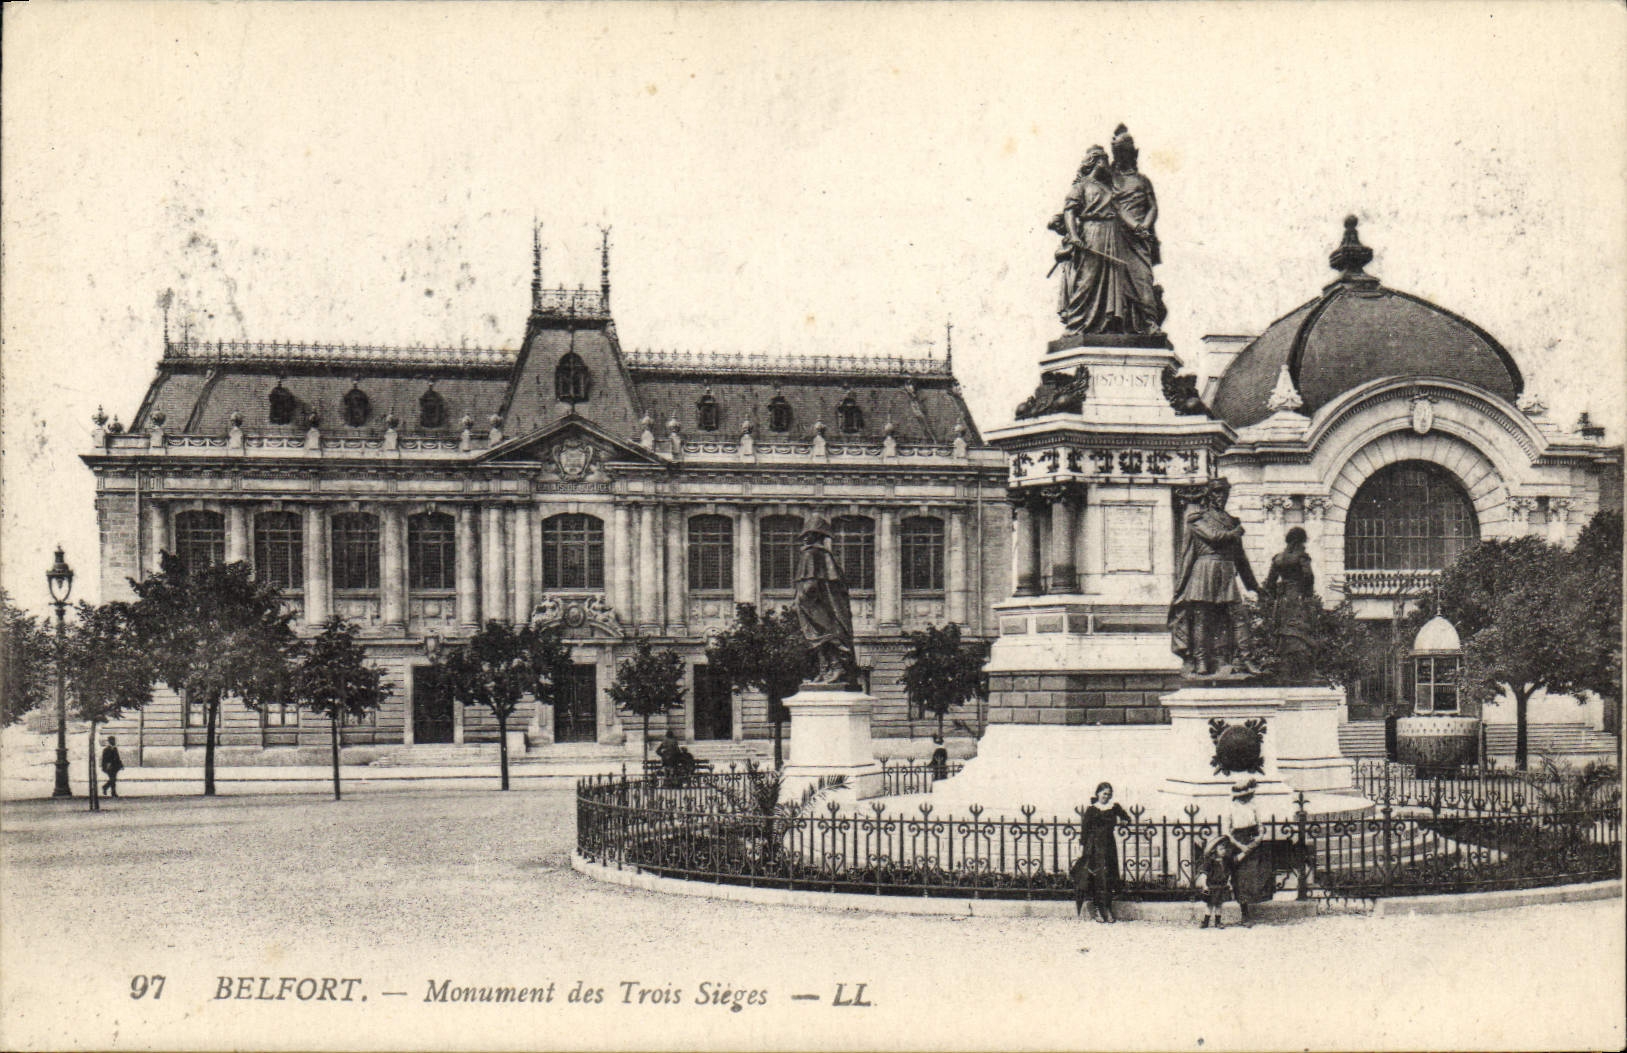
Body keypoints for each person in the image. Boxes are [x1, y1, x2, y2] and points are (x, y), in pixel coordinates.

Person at [1053, 147, 1160, 336]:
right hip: (1091, 233)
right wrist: (1075, 236)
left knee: (1110, 280)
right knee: (1088, 279)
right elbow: (1069, 212)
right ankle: (1075, 324)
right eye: (1104, 160)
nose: (1107, 164)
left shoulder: (1107, 188)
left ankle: (1106, 323)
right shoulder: (1081, 186)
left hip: (1111, 235)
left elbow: (1120, 211)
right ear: (1096, 162)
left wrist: (1138, 228)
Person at [1169, 478, 1261, 676]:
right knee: (1202, 617)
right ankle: (1201, 660)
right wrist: (1236, 532)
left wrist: (1253, 585)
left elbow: (1240, 558)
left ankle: (1247, 659)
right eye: (1217, 492)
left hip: (1226, 572)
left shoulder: (1232, 521)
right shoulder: (1198, 519)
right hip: (1205, 571)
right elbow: (1214, 537)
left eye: (1224, 492)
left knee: (1240, 616)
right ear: (1209, 495)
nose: (1221, 496)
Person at [1109, 124, 1167, 329]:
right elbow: (1114, 206)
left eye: (1127, 152)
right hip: (1119, 237)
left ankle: (1149, 322)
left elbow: (1153, 206)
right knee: (1118, 280)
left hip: (1141, 238)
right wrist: (1134, 225)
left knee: (1143, 278)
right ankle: (1121, 323)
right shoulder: (1111, 180)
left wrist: (1145, 225)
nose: (1124, 156)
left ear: (1134, 153)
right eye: (1119, 152)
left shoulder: (1143, 181)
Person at [795, 515, 855, 686]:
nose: (806, 537)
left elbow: (811, 583)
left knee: (824, 634)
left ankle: (835, 667)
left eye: (811, 533)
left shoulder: (812, 553)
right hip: (812, 603)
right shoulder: (823, 554)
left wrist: (803, 598)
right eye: (805, 534)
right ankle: (825, 669)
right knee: (817, 637)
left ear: (819, 535)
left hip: (814, 603)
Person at [1262, 527, 1318, 683]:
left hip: (1282, 601)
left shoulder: (1277, 558)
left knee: (1285, 633)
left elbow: (1270, 583)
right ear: (1299, 541)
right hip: (1297, 597)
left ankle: (1286, 670)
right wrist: (1308, 596)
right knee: (1302, 630)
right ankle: (1304, 672)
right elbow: (1308, 576)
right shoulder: (1302, 557)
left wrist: (1274, 597)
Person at [1071, 782, 1132, 923]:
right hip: (1094, 847)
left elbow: (1127, 818)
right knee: (1096, 877)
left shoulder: (1114, 808)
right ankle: (1098, 910)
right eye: (1104, 793)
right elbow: (1085, 830)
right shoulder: (1091, 809)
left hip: (1109, 846)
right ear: (1098, 793)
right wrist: (1082, 847)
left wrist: (1123, 821)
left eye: (1109, 794)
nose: (1107, 796)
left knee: (1109, 876)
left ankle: (1108, 909)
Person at [1224, 777, 1273, 926]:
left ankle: (1255, 903)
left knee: (1257, 874)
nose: (1248, 797)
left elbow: (1260, 826)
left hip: (1253, 842)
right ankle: (1245, 914)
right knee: (1241, 879)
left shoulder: (1254, 806)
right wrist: (1240, 846)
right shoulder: (1231, 808)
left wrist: (1257, 839)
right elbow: (1227, 831)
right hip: (1237, 843)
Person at [1198, 833, 1232, 929]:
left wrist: (1228, 882)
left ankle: (1218, 922)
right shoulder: (1210, 861)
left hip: (1221, 886)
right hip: (1212, 886)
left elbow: (1228, 874)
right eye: (1221, 849)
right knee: (1210, 904)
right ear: (1215, 850)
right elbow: (1204, 873)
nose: (1223, 851)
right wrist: (1204, 885)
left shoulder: (1225, 861)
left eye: (1224, 849)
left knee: (1219, 904)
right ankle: (1206, 922)